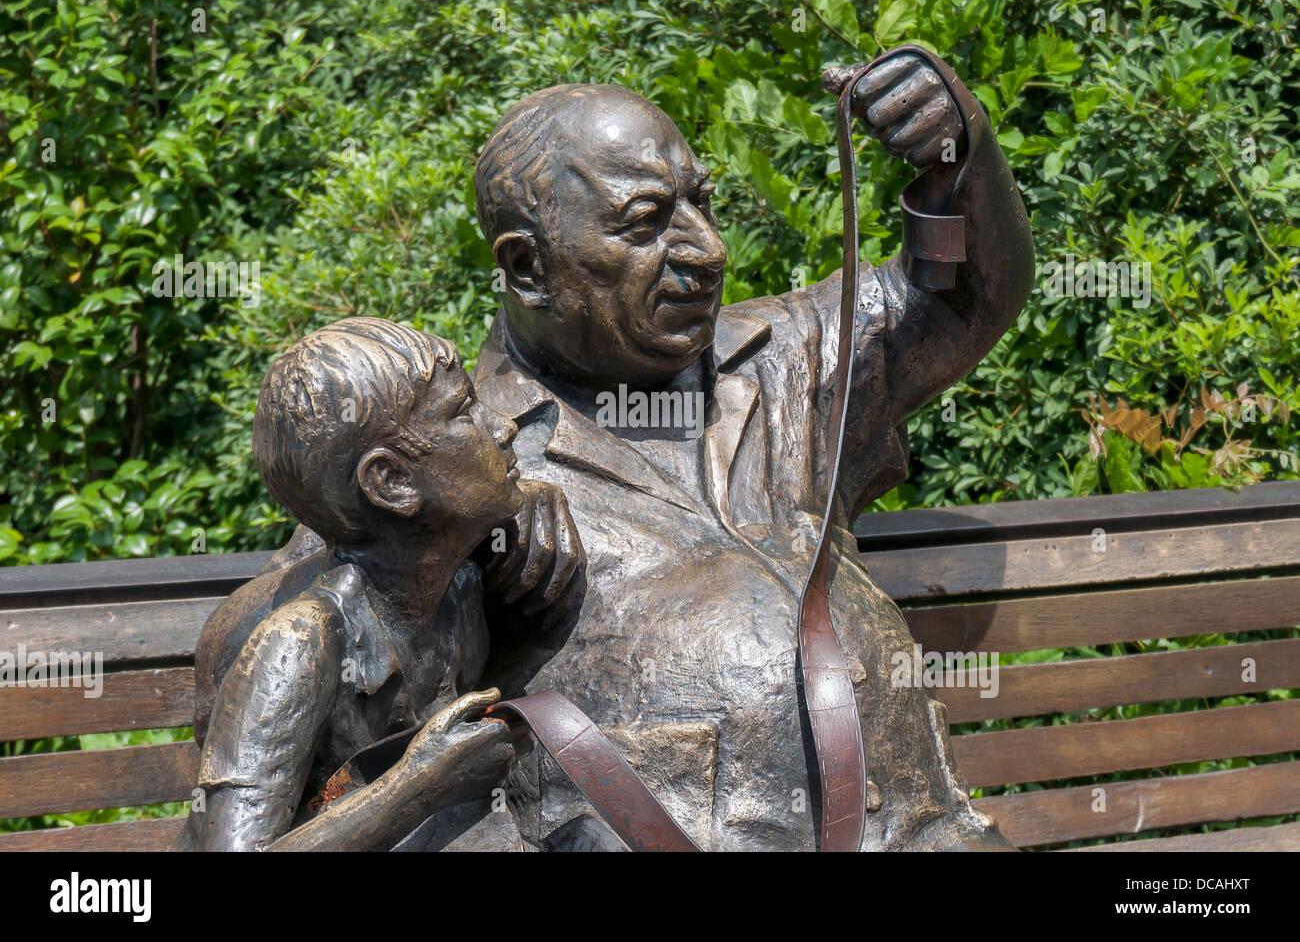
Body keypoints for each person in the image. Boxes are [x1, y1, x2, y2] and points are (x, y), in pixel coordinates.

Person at [464, 47, 1034, 850]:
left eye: (701, 202)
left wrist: (957, 156)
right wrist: (481, 529)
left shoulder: (782, 353)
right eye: (646, 223)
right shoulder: (452, 453)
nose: (707, 251)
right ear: (527, 268)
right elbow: (304, 641)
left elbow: (963, 303)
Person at [176, 317, 571, 851]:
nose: (503, 427)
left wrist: (525, 507)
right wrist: (420, 785)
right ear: (392, 482)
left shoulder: (458, 590)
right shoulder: (299, 645)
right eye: (464, 412)